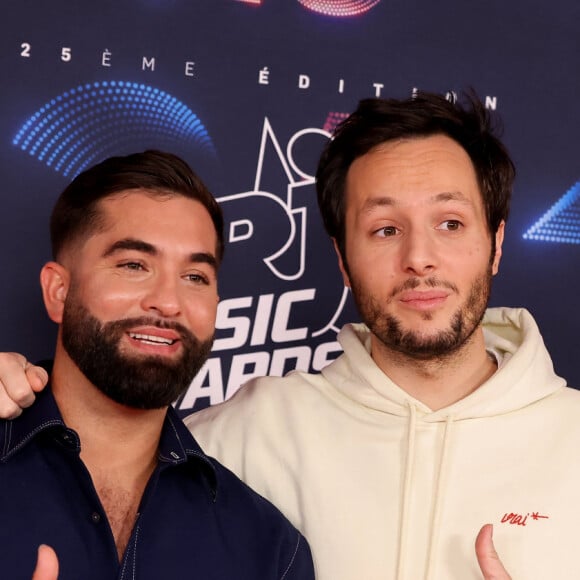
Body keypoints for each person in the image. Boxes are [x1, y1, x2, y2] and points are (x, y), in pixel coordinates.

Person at [1, 92, 552, 579]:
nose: (419, 258)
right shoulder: (244, 433)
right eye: (385, 229)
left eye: (450, 224)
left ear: (497, 242)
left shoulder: (263, 537)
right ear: (342, 257)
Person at [0, 151, 314, 579]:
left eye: (195, 277)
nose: (168, 301)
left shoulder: (268, 545)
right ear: (58, 291)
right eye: (134, 265)